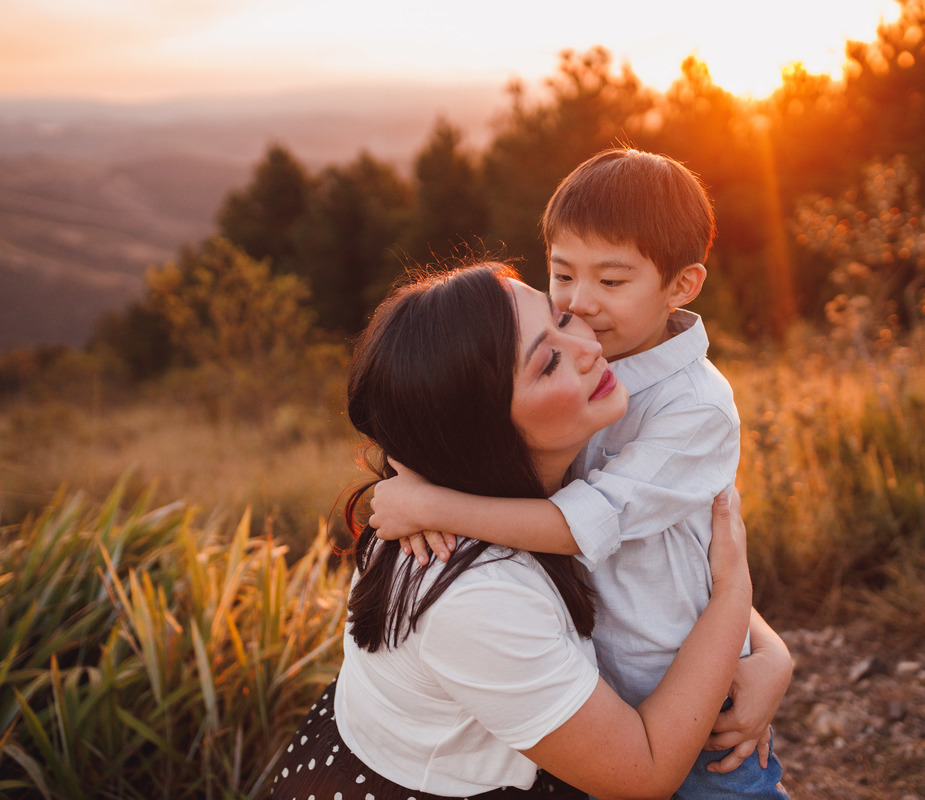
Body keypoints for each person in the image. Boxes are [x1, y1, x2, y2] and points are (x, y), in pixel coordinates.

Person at [369, 149, 791, 798]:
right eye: (562, 278)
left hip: (695, 705)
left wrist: (434, 507)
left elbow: (588, 525)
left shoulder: (693, 407)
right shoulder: (591, 366)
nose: (581, 305)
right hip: (602, 707)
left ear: (681, 286)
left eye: (612, 282)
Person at [271, 263, 753, 800]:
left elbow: (656, 571)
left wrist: (769, 657)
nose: (587, 347)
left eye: (564, 317)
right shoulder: (475, 592)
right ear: (484, 430)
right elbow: (643, 774)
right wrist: (734, 594)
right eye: (549, 363)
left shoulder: (542, 476)